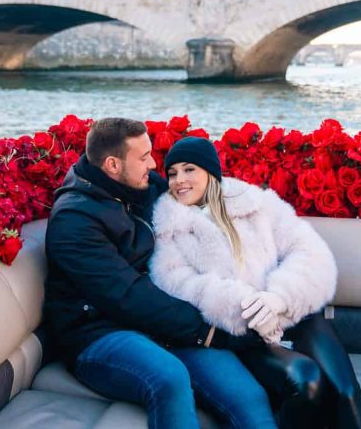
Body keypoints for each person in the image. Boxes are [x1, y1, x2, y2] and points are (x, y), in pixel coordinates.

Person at [44, 118, 275, 429]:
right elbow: (128, 296)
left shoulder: (138, 186)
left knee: (249, 397)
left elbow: (198, 194)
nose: (153, 165)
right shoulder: (74, 221)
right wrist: (210, 333)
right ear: (113, 164)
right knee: (168, 377)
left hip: (160, 325)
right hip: (98, 332)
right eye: (143, 158)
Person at [151, 137, 361, 429]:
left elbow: (309, 251)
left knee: (345, 392)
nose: (179, 180)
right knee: (305, 379)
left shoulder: (257, 204)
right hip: (246, 335)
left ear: (210, 172)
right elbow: (176, 283)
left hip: (296, 315)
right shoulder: (170, 226)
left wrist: (278, 299)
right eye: (172, 173)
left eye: (189, 169)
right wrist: (248, 307)